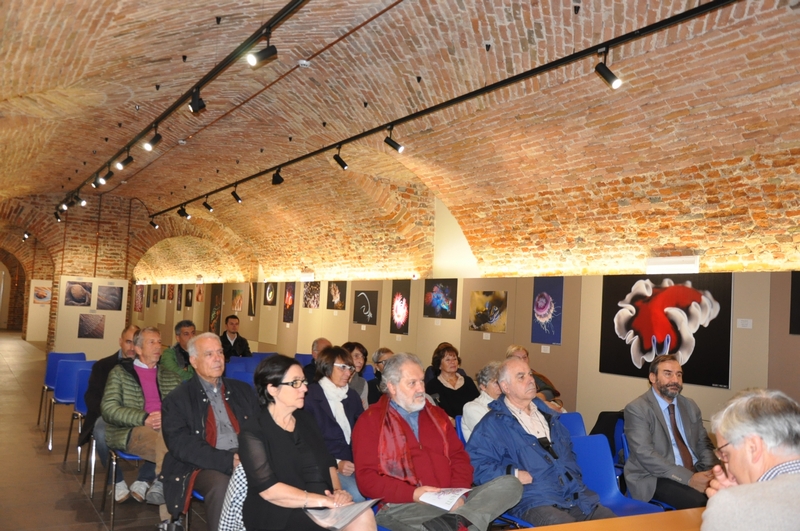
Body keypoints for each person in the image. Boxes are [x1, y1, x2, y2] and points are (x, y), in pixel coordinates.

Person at [352, 352, 522, 531]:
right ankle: (463, 522)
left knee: (511, 484)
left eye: (421, 381)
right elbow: (366, 479)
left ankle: (457, 521)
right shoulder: (370, 421)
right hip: (404, 505)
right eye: (412, 383)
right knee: (449, 523)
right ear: (392, 387)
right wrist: (414, 494)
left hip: (451, 499)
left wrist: (458, 494)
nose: (420, 389)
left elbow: (459, 458)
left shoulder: (437, 415)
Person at [467, 357, 615, 526]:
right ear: (505, 387)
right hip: (533, 500)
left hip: (575, 496)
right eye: (521, 377)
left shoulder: (549, 416)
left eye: (530, 374)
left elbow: (568, 455)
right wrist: (513, 475)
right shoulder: (492, 425)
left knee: (616, 525)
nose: (530, 380)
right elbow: (476, 467)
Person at [238, 355, 376, 531]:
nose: (304, 388)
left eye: (303, 381)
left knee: (364, 514)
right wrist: (324, 501)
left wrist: (338, 491)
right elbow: (270, 491)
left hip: (320, 502)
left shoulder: (305, 419)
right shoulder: (254, 430)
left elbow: (327, 462)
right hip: (280, 511)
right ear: (272, 388)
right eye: (295, 383)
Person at [160, 332, 259, 531]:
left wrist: (253, 455)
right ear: (194, 361)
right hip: (201, 465)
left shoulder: (243, 391)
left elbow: (260, 427)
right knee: (222, 484)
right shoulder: (178, 399)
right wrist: (228, 460)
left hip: (245, 455)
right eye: (210, 354)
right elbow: (182, 445)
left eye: (220, 352)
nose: (218, 359)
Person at [101, 327, 183, 520]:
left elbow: (183, 409)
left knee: (173, 452)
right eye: (151, 342)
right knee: (177, 453)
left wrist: (168, 418)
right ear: (137, 349)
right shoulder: (120, 373)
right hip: (133, 430)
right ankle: (169, 517)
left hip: (167, 431)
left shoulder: (172, 377)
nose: (157, 346)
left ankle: (163, 490)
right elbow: (108, 408)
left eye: (159, 341)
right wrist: (143, 418)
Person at [624, 354, 717, 509]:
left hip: (695, 469)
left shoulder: (689, 406)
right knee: (700, 503)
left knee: (732, 493)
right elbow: (645, 454)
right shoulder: (638, 409)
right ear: (652, 378)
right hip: (655, 476)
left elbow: (703, 443)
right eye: (668, 374)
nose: (675, 380)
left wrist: (709, 472)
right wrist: (689, 478)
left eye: (679, 375)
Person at [701, 389, 800, 531]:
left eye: (726, 455)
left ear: (753, 447)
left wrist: (733, 503)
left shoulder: (732, 506)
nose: (729, 471)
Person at [80, 324, 139, 502]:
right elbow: (91, 397)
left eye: (136, 343)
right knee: (100, 430)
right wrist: (111, 414)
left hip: (138, 418)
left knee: (170, 430)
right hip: (108, 417)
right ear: (120, 341)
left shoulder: (147, 366)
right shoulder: (103, 366)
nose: (131, 347)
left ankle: (144, 481)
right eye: (128, 342)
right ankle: (117, 480)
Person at [304, 346, 365, 502]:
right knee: (357, 495)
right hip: (324, 465)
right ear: (327, 367)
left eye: (350, 368)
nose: (348, 372)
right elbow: (308, 444)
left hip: (355, 463)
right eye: (343, 367)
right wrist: (337, 463)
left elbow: (362, 434)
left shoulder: (351, 396)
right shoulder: (309, 396)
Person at [424, 343, 479, 419]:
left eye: (455, 359)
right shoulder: (432, 385)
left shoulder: (468, 381)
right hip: (447, 427)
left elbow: (478, 404)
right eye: (448, 360)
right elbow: (434, 412)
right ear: (439, 365)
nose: (452, 362)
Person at [505, 345, 564, 410]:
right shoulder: (505, 378)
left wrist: (539, 397)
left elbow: (550, 391)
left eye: (524, 357)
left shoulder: (534, 375)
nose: (522, 360)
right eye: (518, 358)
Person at [461, 362, 502, 442]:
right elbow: (491, 439)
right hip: (486, 453)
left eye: (503, 382)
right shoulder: (471, 408)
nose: (501, 386)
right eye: (496, 383)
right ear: (483, 386)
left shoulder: (507, 404)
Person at [343, 341, 369, 409]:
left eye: (363, 357)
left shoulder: (362, 383)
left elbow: (365, 410)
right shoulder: (334, 380)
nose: (361, 361)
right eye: (356, 356)